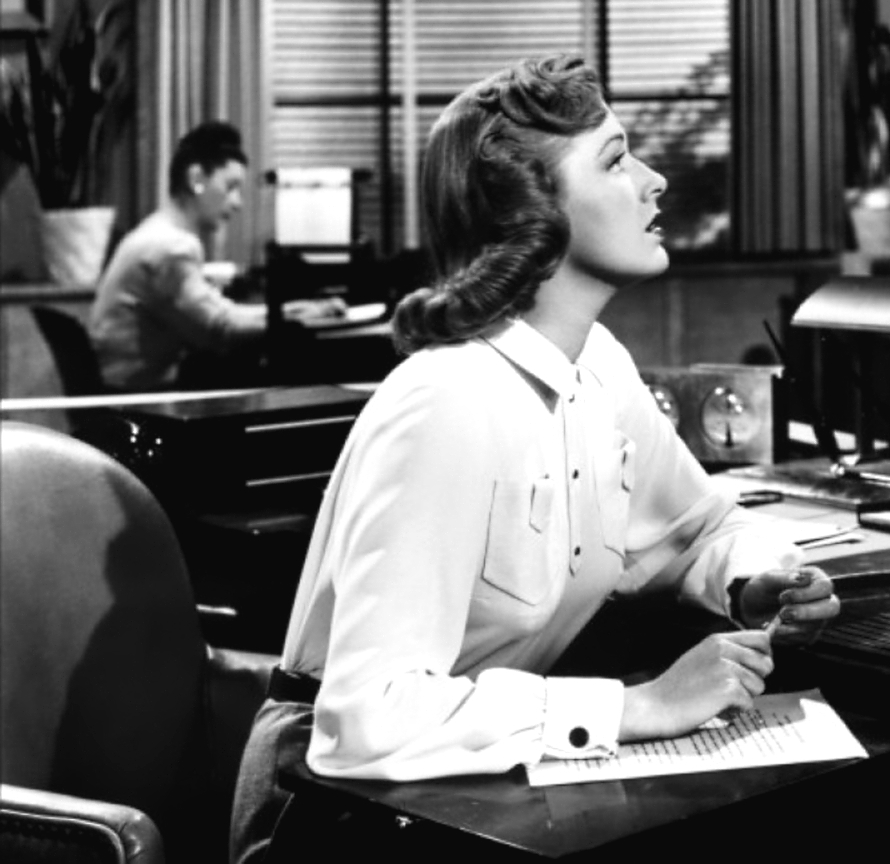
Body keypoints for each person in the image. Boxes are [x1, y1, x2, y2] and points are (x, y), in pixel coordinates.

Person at [229, 54, 838, 862]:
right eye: (616, 160)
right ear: (534, 210)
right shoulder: (446, 401)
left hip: (470, 785)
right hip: (330, 810)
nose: (655, 180)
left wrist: (753, 580)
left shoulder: (599, 365)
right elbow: (367, 720)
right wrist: (639, 707)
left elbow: (701, 526)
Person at [89, 120, 340, 391]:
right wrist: (301, 320)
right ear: (196, 179)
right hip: (136, 398)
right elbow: (221, 330)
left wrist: (296, 310)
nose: (237, 203)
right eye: (230, 187)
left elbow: (224, 313)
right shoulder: (170, 246)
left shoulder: (156, 231)